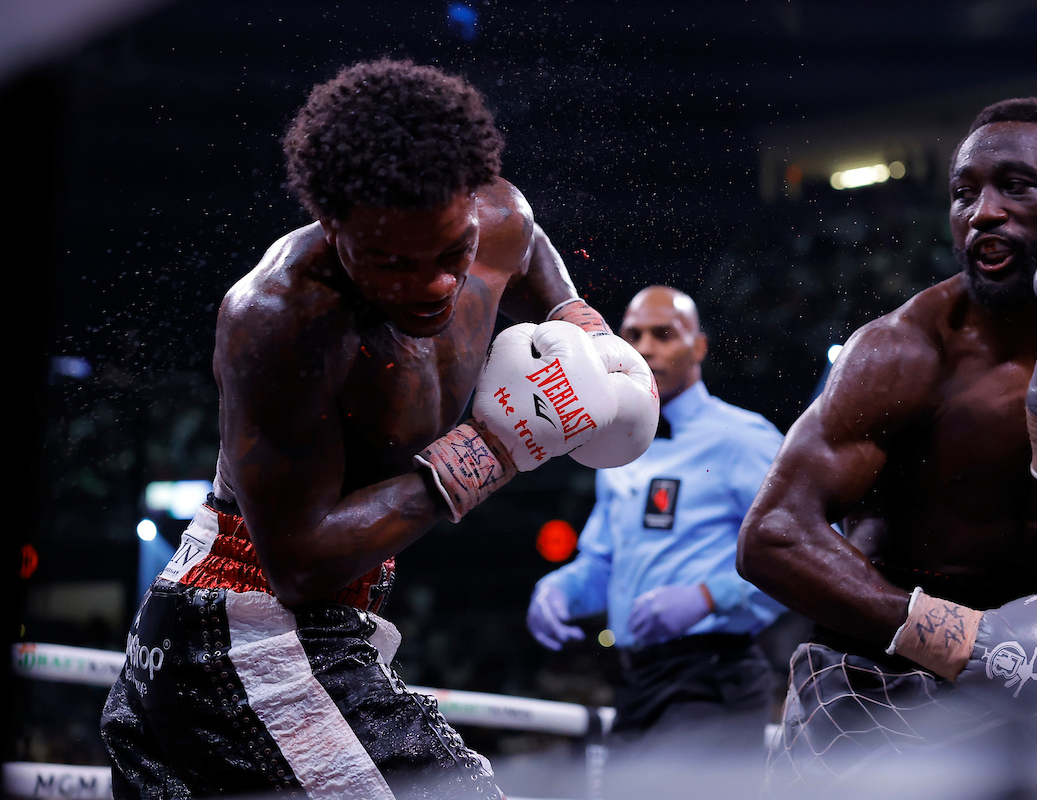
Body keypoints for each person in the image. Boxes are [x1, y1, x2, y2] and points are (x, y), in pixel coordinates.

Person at [99, 58, 659, 800]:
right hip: (247, 626)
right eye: (392, 261)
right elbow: (297, 564)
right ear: (335, 229)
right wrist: (493, 449)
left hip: (311, 627)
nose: (434, 284)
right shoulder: (279, 319)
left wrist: (574, 320)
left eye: (450, 252)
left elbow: (527, 245)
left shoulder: (497, 222)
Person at [737, 98, 1037, 790]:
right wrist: (962, 640)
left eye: (1014, 185)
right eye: (964, 192)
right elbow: (770, 535)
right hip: (875, 673)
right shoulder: (900, 351)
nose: (981, 211)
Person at [526, 285, 787, 757]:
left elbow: (803, 549)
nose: (645, 347)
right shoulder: (619, 446)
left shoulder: (741, 438)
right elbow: (605, 565)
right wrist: (560, 588)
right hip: (637, 680)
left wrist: (709, 596)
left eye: (663, 334)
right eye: (634, 334)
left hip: (714, 678)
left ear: (699, 347)